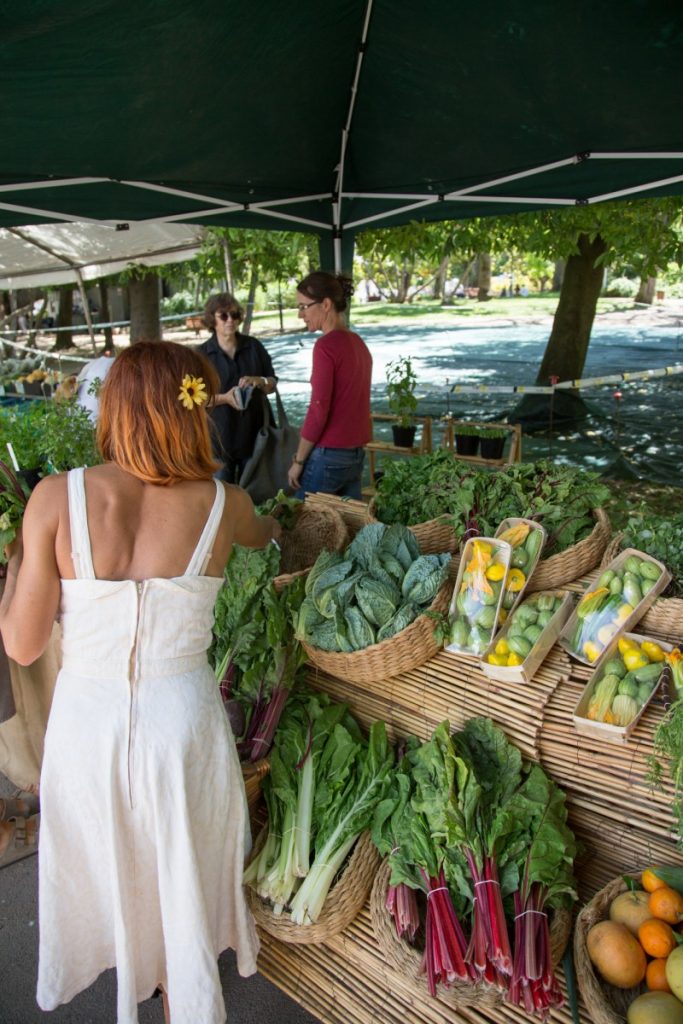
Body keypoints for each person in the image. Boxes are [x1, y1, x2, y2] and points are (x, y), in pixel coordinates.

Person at [0, 341, 280, 1023]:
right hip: (181, 716)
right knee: (177, 859)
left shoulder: (51, 499)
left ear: (114, 408)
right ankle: (174, 990)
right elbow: (269, 537)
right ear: (194, 411)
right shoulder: (225, 502)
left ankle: (138, 972)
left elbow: (23, 641)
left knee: (109, 858)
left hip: (87, 721)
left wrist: (19, 561)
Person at [287, 271, 372, 500]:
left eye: (304, 307)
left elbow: (318, 410)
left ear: (325, 304)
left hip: (330, 456)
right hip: (355, 456)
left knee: (296, 525)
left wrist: (298, 460)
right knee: (349, 530)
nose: (300, 315)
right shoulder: (358, 343)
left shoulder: (325, 346)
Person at [197, 293, 278, 483]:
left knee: (255, 499)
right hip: (219, 441)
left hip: (254, 439)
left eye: (234, 315)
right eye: (223, 316)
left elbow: (272, 384)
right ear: (212, 319)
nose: (230, 320)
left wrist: (260, 381)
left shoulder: (254, 347)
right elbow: (193, 400)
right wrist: (224, 398)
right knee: (223, 501)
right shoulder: (201, 355)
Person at [74, 344, 116, 421]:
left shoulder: (91, 365)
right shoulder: (115, 366)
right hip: (98, 420)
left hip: (79, 419)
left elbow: (76, 387)